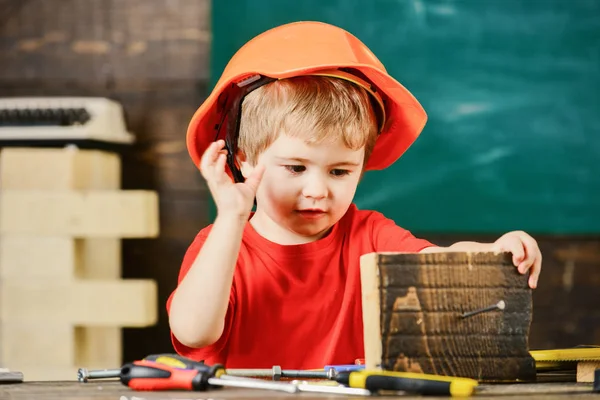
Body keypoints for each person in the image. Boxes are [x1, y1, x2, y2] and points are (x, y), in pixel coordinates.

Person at [167, 21, 542, 369]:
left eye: (340, 171)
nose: (317, 190)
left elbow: (440, 262)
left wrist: (497, 252)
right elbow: (193, 332)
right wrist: (231, 218)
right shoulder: (220, 245)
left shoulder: (370, 235)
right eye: (296, 168)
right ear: (244, 160)